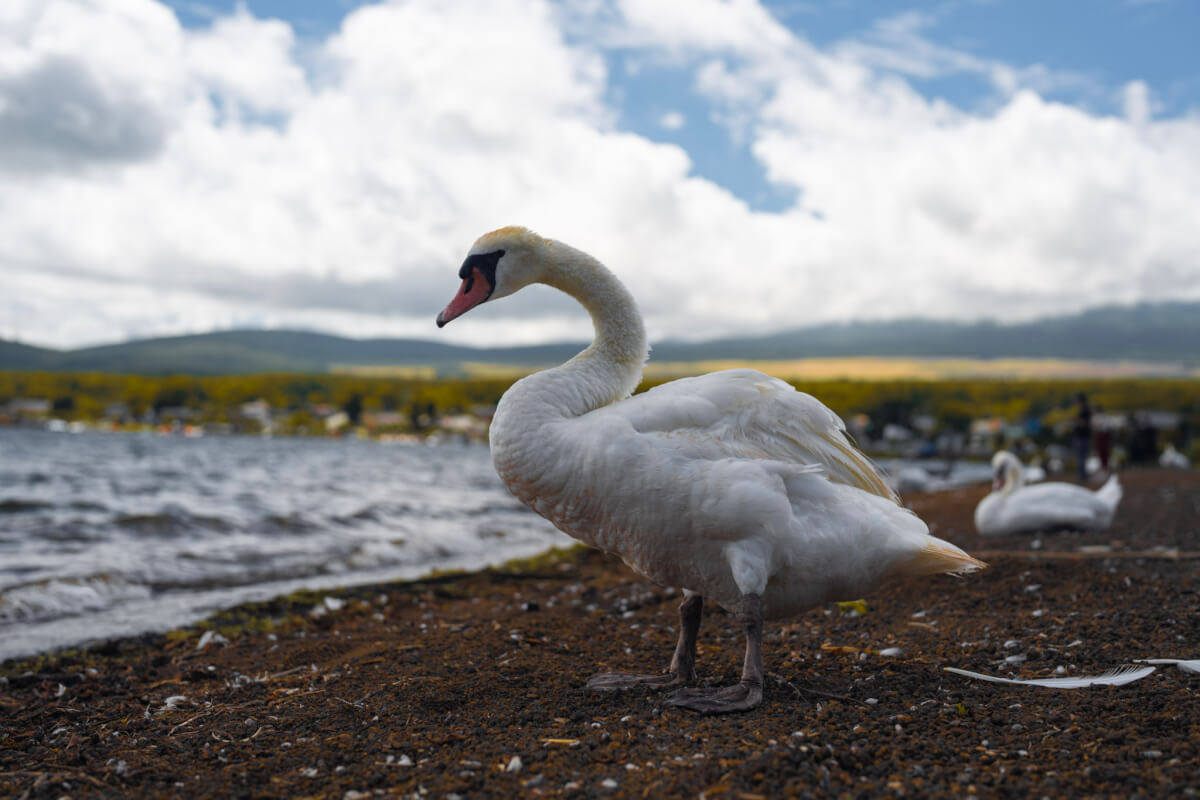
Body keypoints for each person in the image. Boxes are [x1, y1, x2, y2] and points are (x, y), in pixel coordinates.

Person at [1073, 393, 1092, 482]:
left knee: (1081, 457)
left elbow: (1085, 423)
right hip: (1082, 436)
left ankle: (1083, 477)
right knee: (1081, 457)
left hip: (1083, 437)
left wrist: (1076, 419)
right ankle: (1082, 476)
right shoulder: (1082, 410)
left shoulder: (1085, 411)